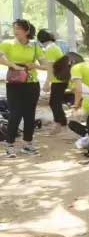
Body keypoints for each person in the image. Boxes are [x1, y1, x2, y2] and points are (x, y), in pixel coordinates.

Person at [0, 19, 48, 157]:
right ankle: (10, 145)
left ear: (26, 31)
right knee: (15, 114)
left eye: (19, 29)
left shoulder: (35, 46)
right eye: (14, 28)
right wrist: (13, 65)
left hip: (32, 83)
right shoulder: (8, 44)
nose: (15, 31)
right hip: (14, 84)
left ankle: (28, 144)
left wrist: (35, 66)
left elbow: (46, 65)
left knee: (29, 115)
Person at [38, 29, 69, 135]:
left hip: (58, 80)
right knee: (55, 102)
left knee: (54, 103)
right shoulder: (55, 47)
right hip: (61, 79)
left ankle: (59, 125)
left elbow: (50, 68)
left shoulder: (50, 49)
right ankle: (62, 123)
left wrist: (47, 82)